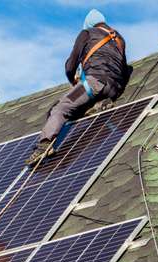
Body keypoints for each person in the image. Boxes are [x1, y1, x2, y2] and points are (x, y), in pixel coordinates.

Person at [26, 9, 130, 166]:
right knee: (80, 110)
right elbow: (123, 68)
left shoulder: (87, 33)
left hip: (92, 83)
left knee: (61, 107)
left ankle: (44, 146)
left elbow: (71, 66)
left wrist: (74, 82)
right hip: (114, 88)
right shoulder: (119, 39)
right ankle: (100, 104)